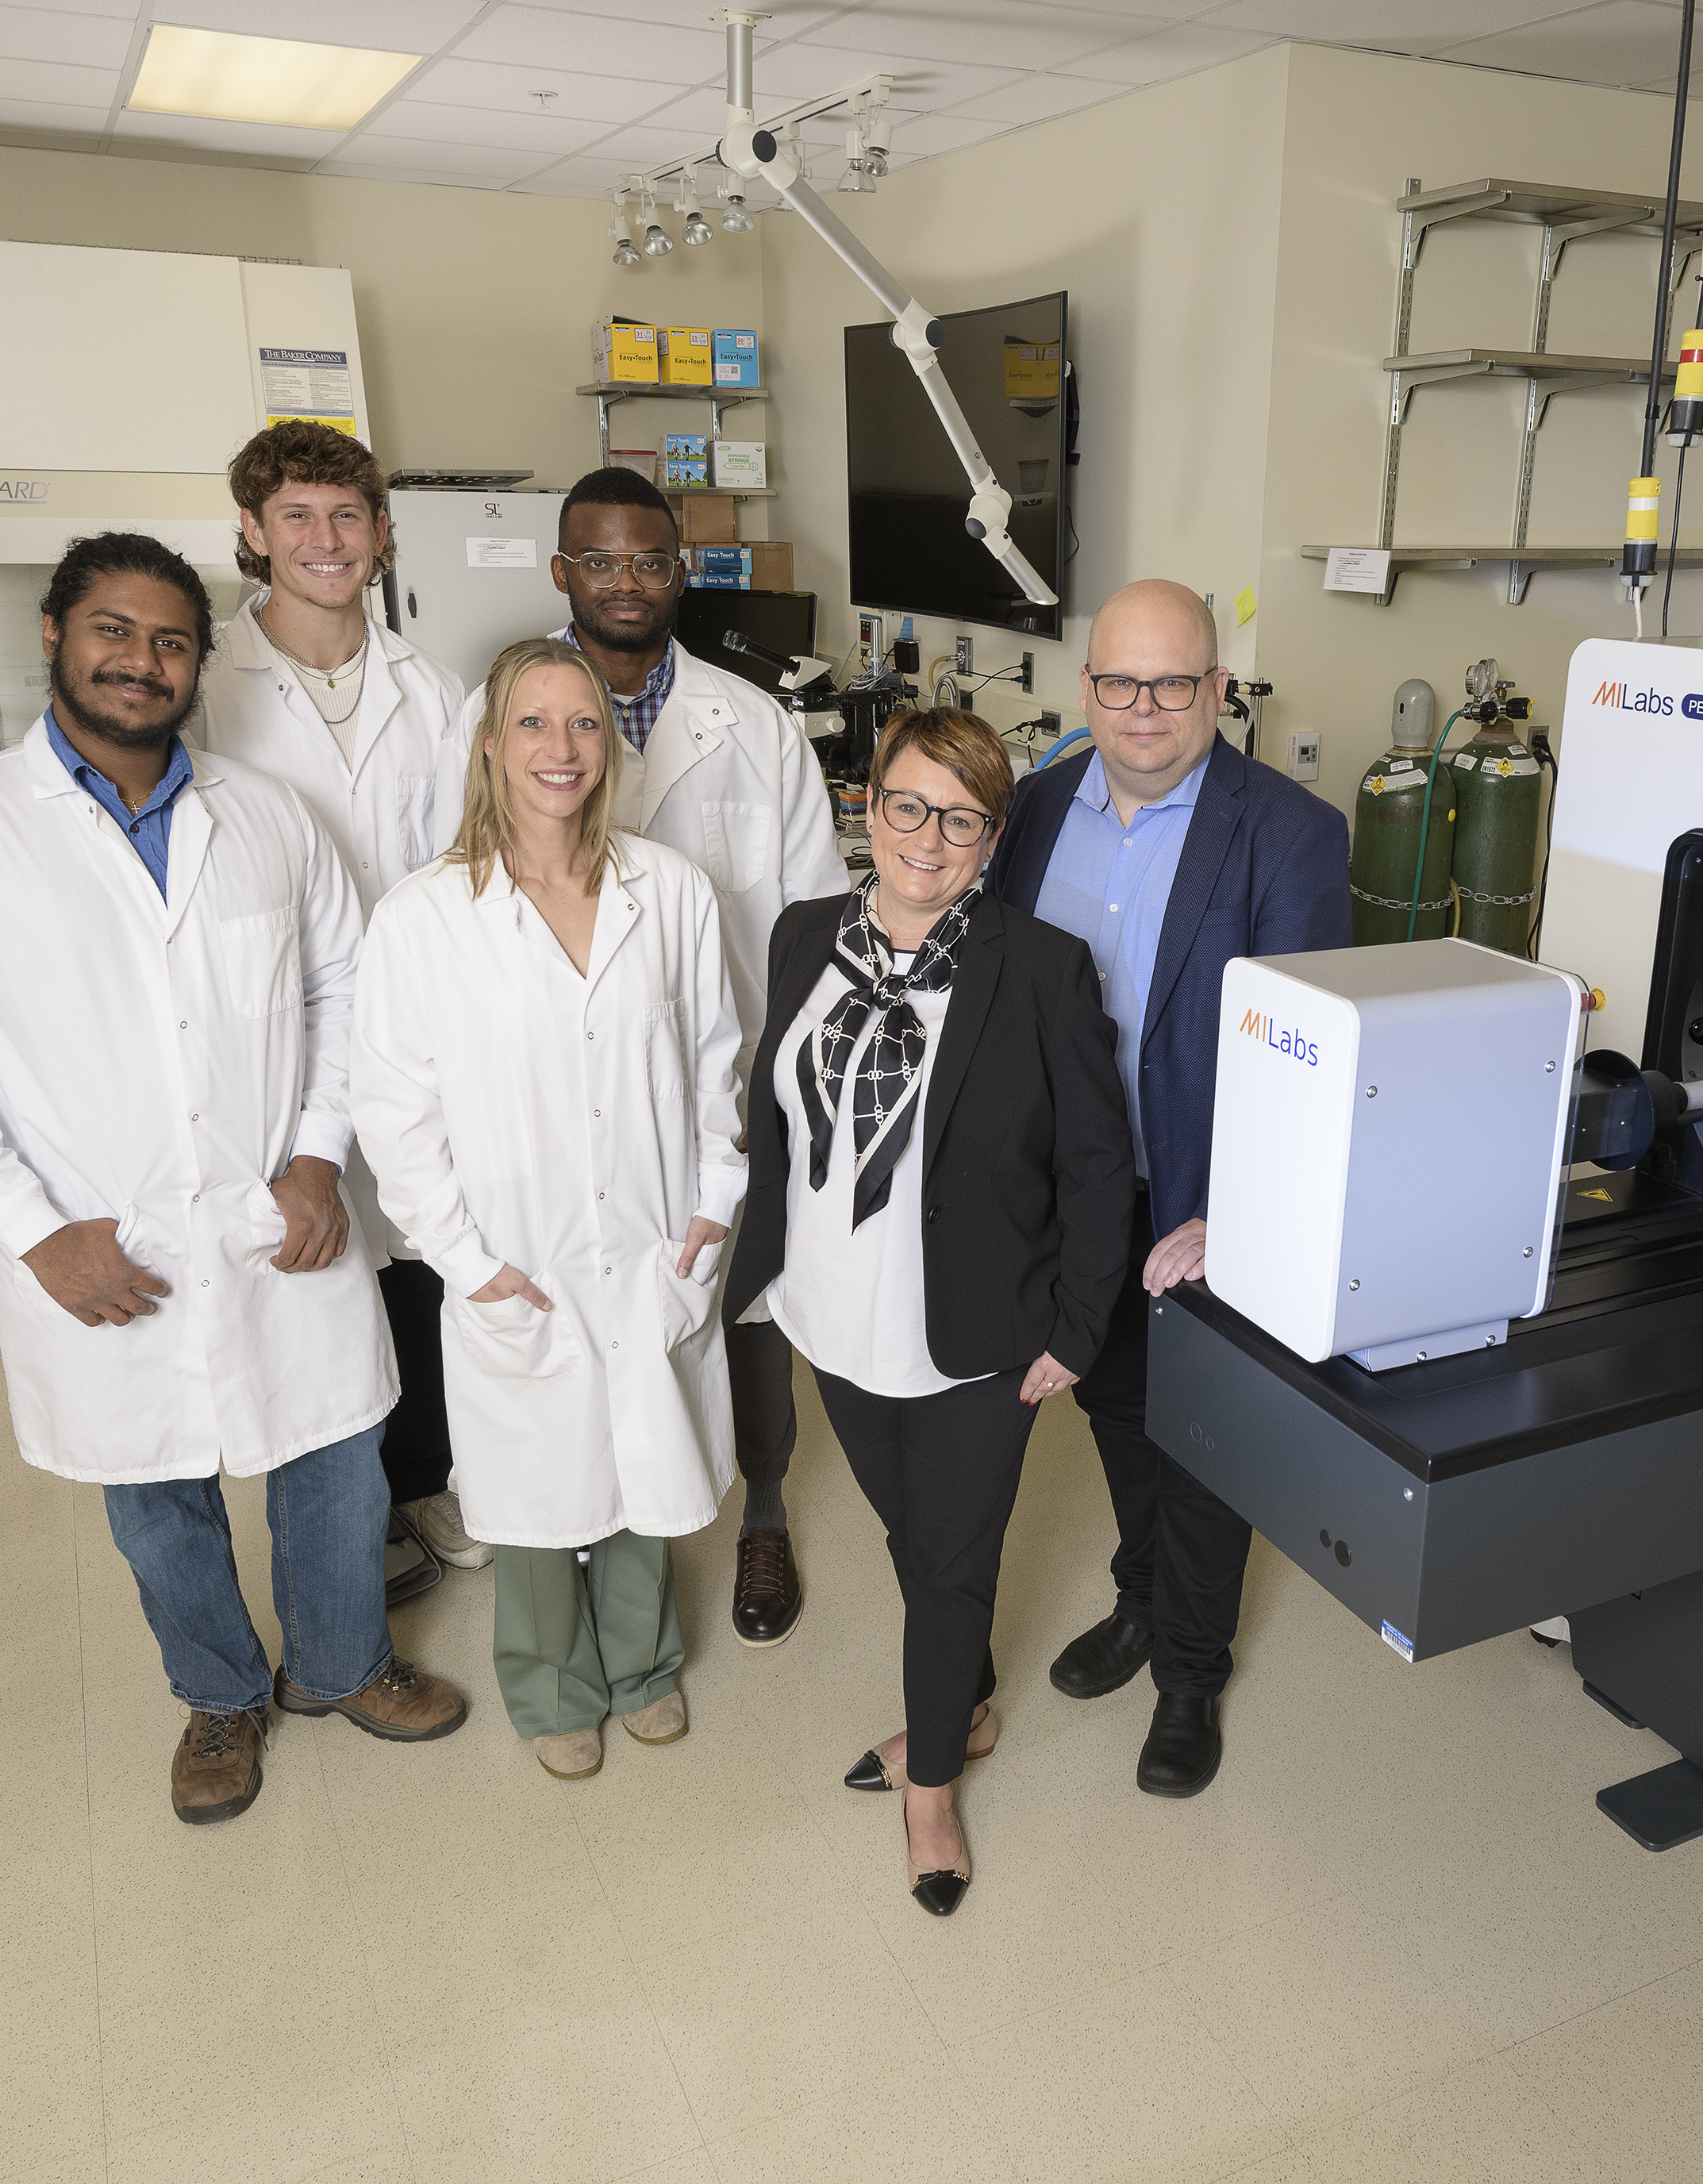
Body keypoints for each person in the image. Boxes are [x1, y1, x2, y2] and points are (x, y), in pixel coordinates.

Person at [0, 531, 467, 1827]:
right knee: (158, 1497)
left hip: (278, 1214)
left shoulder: (266, 818)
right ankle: (221, 1697)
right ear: (56, 642)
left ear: (198, 663)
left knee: (337, 1459)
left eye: (169, 641)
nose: (141, 661)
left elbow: (346, 989)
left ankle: (345, 1666)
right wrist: (31, 1231)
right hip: (99, 1235)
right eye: (113, 633)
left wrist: (315, 1151)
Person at [724, 708, 1134, 1914]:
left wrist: (1076, 1327)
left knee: (949, 1566)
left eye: (960, 818)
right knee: (913, 1540)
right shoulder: (803, 938)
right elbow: (781, 1119)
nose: (927, 836)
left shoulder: (1041, 968)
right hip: (831, 1320)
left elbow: (1099, 1168)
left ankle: (933, 1792)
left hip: (971, 1333)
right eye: (907, 804)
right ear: (869, 810)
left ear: (991, 837)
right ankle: (966, 1699)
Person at [356, 637, 745, 1780]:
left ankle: (644, 1666)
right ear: (487, 746)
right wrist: (469, 1265)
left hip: (651, 1240)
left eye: (584, 724)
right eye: (532, 724)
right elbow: (395, 1117)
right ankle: (551, 1688)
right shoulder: (425, 918)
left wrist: (715, 1206)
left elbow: (717, 1062)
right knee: (532, 1484)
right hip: (510, 1256)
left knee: (640, 1455)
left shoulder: (667, 892)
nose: (560, 748)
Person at [987, 579, 1350, 1800]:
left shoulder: (1289, 834)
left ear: (1219, 689)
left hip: (1202, 1201)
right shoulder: (1034, 811)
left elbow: (1311, 1055)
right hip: (1083, 1197)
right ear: (1085, 689)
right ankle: (1142, 1600)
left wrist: (1233, 1218)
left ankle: (1192, 1672)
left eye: (1175, 683)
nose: (1145, 710)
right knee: (1117, 1409)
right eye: (1119, 684)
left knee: (1204, 1441)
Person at [486, 464, 843, 1648]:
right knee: (577, 1316)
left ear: (682, 571)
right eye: (599, 560)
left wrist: (785, 1100)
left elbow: (810, 921)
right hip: (554, 1096)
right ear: (561, 574)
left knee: (744, 1314)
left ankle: (765, 1519)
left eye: (649, 559)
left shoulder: (755, 725)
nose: (626, 582)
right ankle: (587, 1534)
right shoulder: (505, 715)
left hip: (723, 1094)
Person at [191, 421, 489, 1591]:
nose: (325, 540)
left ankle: (421, 1486)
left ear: (382, 535)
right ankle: (343, 1518)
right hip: (277, 1033)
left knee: (418, 1251)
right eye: (297, 518)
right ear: (254, 536)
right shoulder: (207, 685)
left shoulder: (435, 687)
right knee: (313, 1277)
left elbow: (470, 851)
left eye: (347, 516)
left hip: (418, 1022)